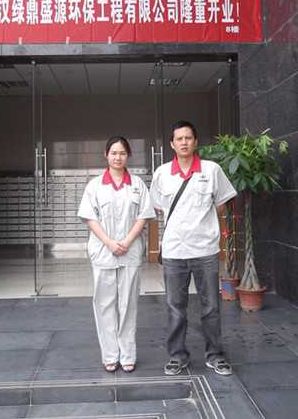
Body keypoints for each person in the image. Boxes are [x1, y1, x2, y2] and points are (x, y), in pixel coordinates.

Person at [150, 120, 237, 376]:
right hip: (174, 251)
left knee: (211, 307)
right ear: (172, 144)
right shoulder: (162, 173)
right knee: (175, 308)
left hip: (205, 251)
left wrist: (203, 226)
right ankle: (177, 356)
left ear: (196, 141)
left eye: (188, 138)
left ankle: (215, 355)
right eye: (179, 139)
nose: (184, 142)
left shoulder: (211, 170)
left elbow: (221, 203)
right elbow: (158, 206)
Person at [78, 136, 155, 373]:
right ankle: (110, 355)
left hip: (130, 252)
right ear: (106, 155)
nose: (117, 157)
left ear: (128, 155)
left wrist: (127, 242)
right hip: (104, 251)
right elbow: (90, 218)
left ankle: (128, 354)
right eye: (113, 153)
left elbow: (143, 216)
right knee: (104, 304)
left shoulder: (137, 184)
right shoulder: (95, 185)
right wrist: (110, 243)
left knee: (128, 304)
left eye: (122, 153)